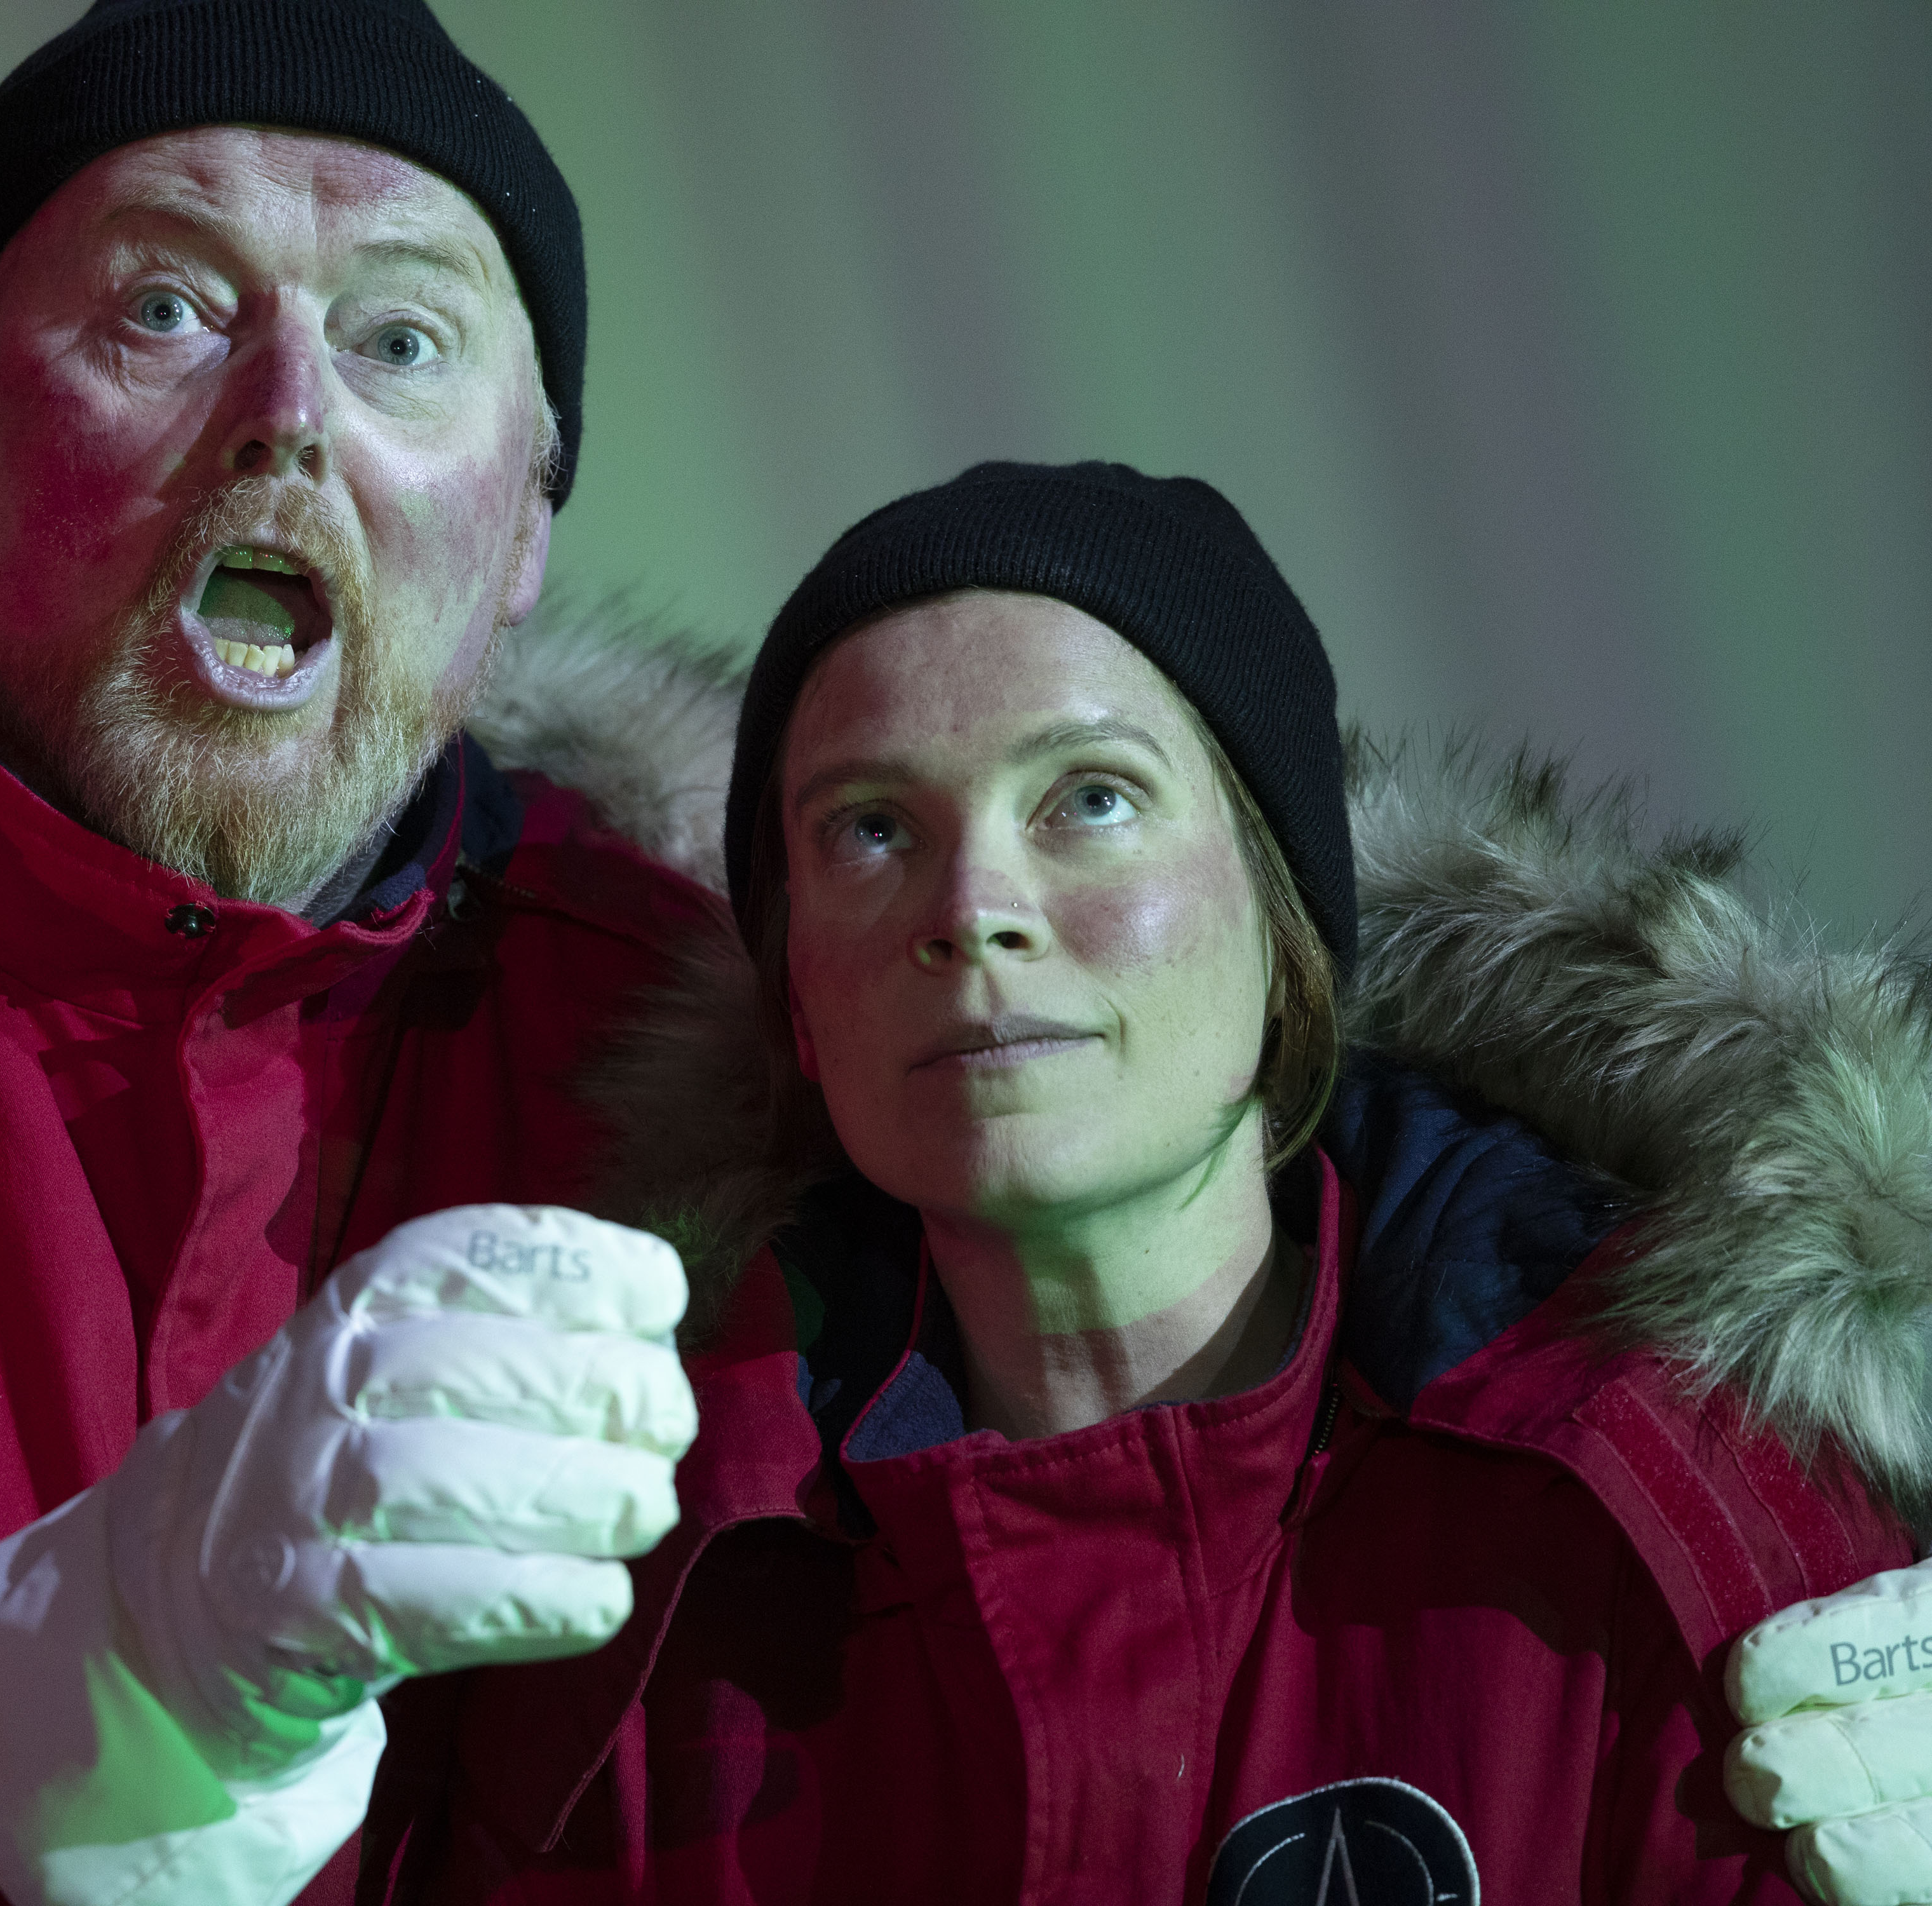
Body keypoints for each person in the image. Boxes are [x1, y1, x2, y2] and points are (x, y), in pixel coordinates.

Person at [0, 3, 1928, 1898]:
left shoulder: (667, 1035)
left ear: (522, 531)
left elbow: (1235, 1353)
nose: (287, 408)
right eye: (165, 301)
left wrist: (1788, 1483)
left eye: (407, 342)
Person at [360, 461, 1932, 1902]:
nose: (975, 908)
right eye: (869, 830)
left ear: (1285, 921)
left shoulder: (1673, 1501)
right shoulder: (638, 1602)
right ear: (798, 1008)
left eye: (1091, 800)